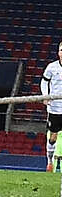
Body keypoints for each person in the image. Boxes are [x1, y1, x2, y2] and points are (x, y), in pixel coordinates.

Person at [40, 42, 62, 171]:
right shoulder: (52, 67)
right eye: (61, 50)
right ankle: (49, 161)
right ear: (58, 52)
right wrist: (45, 95)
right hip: (55, 109)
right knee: (53, 137)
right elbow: (44, 82)